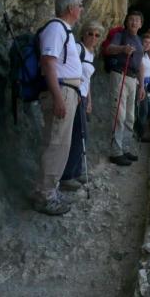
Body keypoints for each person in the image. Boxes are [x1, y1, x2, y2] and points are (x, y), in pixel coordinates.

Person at [33, 0, 83, 215]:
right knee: (55, 144)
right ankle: (45, 196)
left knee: (60, 144)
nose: (81, 9)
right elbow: (48, 63)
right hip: (60, 91)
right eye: (80, 5)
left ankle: (49, 190)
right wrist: (58, 98)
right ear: (70, 8)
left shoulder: (64, 30)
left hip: (67, 91)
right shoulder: (56, 28)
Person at [60, 20, 103, 191]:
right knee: (78, 135)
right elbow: (71, 72)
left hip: (83, 98)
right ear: (83, 34)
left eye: (97, 35)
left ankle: (76, 171)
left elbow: (88, 80)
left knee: (81, 135)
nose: (93, 37)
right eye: (90, 33)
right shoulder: (78, 49)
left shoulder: (90, 54)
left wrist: (89, 101)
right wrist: (77, 93)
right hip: (74, 96)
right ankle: (68, 176)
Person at [107, 11, 145, 166]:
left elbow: (141, 64)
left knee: (130, 116)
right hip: (120, 76)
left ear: (141, 24)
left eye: (137, 20)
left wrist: (142, 85)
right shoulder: (121, 35)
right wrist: (123, 49)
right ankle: (116, 152)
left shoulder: (139, 40)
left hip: (132, 79)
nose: (134, 22)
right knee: (119, 115)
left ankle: (125, 148)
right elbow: (109, 49)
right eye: (131, 20)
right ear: (126, 22)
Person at [135, 34, 150, 142]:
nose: (147, 44)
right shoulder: (139, 55)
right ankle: (140, 135)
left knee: (143, 110)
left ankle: (140, 134)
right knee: (141, 110)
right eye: (145, 42)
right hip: (138, 85)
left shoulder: (146, 55)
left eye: (149, 43)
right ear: (141, 42)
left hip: (144, 86)